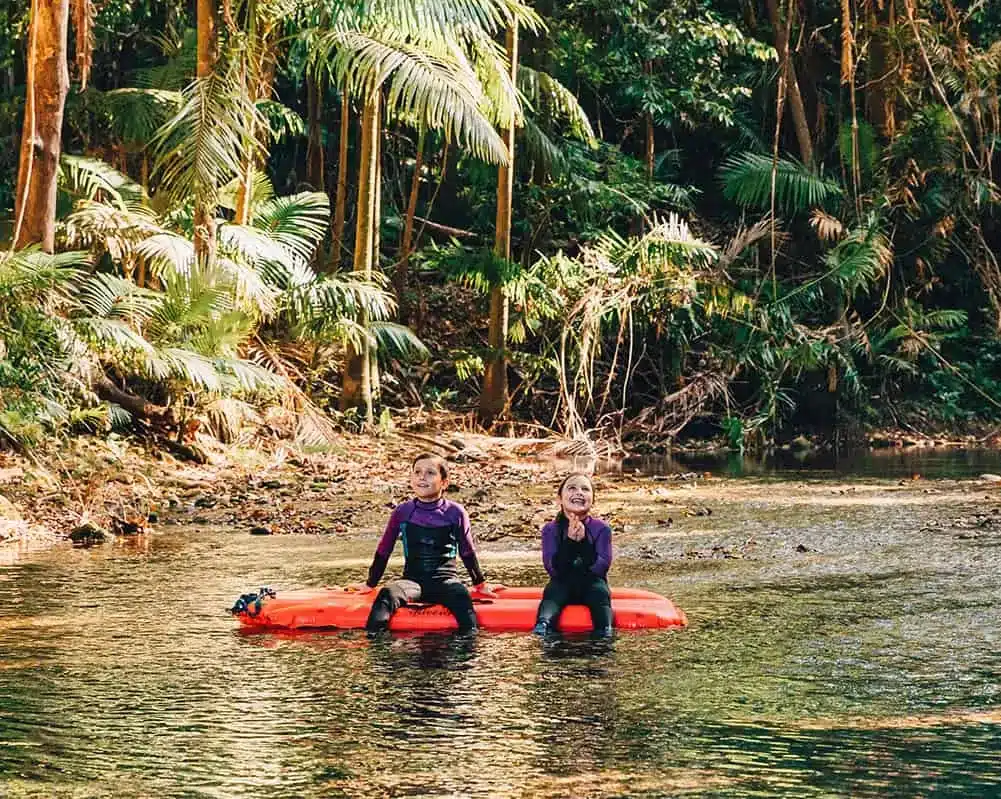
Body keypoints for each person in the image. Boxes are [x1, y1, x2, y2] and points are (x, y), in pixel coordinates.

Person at [348, 453, 495, 633]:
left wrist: (480, 584)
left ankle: (467, 655)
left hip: (446, 582)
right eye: (417, 472)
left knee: (461, 595)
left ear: (444, 482)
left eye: (430, 473)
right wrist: (370, 584)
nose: (422, 477)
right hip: (412, 582)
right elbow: (384, 550)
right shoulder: (402, 512)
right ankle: (377, 654)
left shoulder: (455, 512)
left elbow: (467, 551)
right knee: (388, 593)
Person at [533, 473, 614, 637]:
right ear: (560, 499)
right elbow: (553, 569)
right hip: (561, 584)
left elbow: (600, 568)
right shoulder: (550, 529)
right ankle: (543, 628)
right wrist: (569, 543)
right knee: (552, 592)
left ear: (593, 499)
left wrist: (583, 543)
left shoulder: (602, 529)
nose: (579, 492)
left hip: (593, 585)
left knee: (600, 593)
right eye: (572, 488)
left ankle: (605, 634)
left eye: (585, 489)